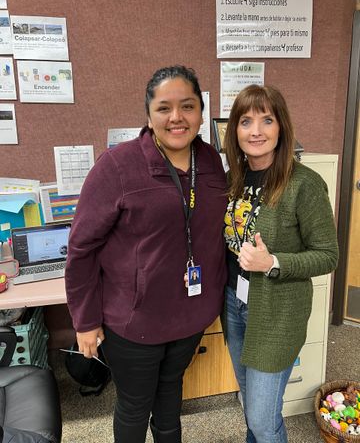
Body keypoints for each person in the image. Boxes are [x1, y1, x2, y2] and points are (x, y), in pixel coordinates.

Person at [65, 65, 228, 443]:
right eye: (164, 108)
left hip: (191, 316)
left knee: (171, 398)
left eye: (188, 106)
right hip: (134, 322)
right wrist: (85, 321)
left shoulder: (210, 162)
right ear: (149, 114)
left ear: (202, 112)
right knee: (136, 405)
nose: (176, 117)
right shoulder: (118, 166)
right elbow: (82, 248)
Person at [222, 84, 339, 443]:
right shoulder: (235, 179)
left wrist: (272, 262)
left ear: (281, 127)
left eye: (266, 120)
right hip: (234, 305)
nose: (256, 131)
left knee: (262, 417)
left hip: (276, 314)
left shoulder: (304, 184)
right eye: (246, 121)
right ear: (235, 131)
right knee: (251, 406)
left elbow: (328, 255)